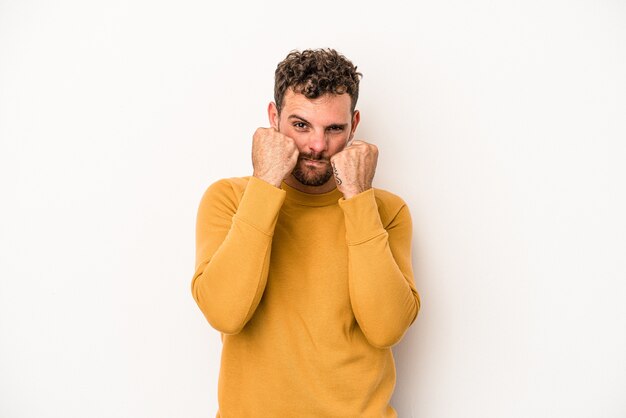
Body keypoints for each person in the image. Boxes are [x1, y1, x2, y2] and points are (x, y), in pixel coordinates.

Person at [191, 48, 420, 418]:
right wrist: (265, 183)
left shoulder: (386, 211)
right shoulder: (230, 199)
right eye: (301, 125)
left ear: (354, 125)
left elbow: (386, 328)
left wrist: (359, 198)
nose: (317, 145)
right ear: (273, 118)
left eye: (334, 128)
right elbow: (224, 313)